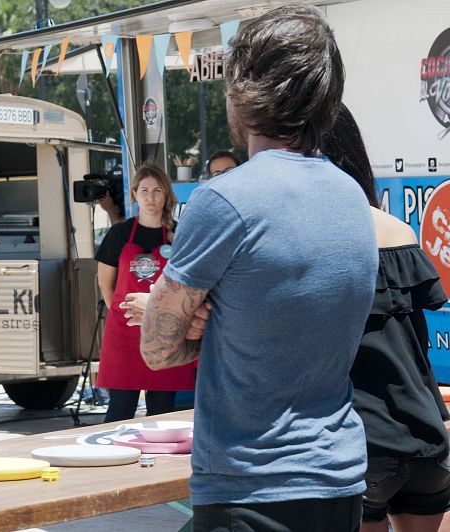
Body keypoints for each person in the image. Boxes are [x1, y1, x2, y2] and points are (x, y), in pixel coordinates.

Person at [140, 5, 377, 531]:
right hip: (338, 479)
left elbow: (156, 350)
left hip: (251, 483)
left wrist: (207, 326)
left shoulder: (223, 201)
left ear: (241, 89)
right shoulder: (354, 202)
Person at [322, 104, 450, 532]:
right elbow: (417, 347)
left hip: (365, 442)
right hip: (427, 438)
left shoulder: (317, 233)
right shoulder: (398, 230)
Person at [95, 161, 195, 423]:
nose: (151, 197)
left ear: (167, 196)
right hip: (124, 336)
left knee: (161, 414)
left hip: (166, 333)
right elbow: (105, 284)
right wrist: (118, 314)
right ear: (135, 195)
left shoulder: (179, 234)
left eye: (158, 191)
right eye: (145, 191)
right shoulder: (119, 234)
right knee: (120, 410)